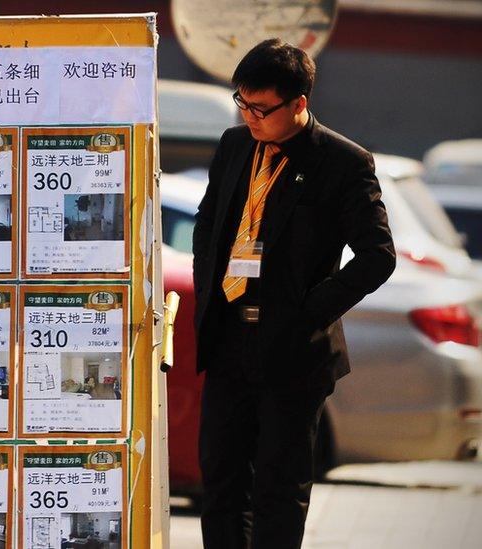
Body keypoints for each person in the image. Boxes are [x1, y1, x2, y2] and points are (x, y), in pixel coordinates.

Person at [192, 39, 395, 549]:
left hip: (293, 351)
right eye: (242, 103)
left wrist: (309, 312)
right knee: (220, 484)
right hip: (229, 341)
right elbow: (209, 223)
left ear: (299, 103)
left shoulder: (344, 162)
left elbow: (378, 255)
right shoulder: (235, 145)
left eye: (261, 108)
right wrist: (209, 292)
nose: (250, 117)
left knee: (278, 493)